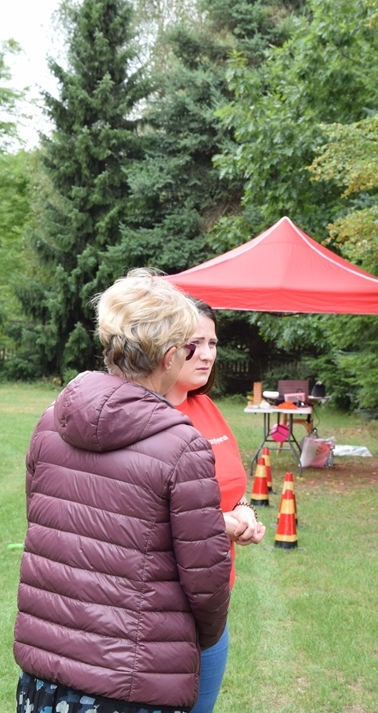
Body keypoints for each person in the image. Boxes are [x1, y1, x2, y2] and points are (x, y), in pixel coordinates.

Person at [13, 269, 231, 713]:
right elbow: (206, 581)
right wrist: (201, 638)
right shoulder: (183, 445)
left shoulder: (51, 419)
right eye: (191, 347)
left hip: (47, 675)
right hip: (130, 683)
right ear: (171, 356)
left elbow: (41, 521)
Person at [165, 299, 266, 713]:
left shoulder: (203, 405)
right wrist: (218, 523)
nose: (207, 354)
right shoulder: (145, 415)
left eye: (212, 342)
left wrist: (244, 511)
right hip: (162, 607)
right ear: (166, 346)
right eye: (195, 342)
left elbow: (230, 486)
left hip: (213, 599)